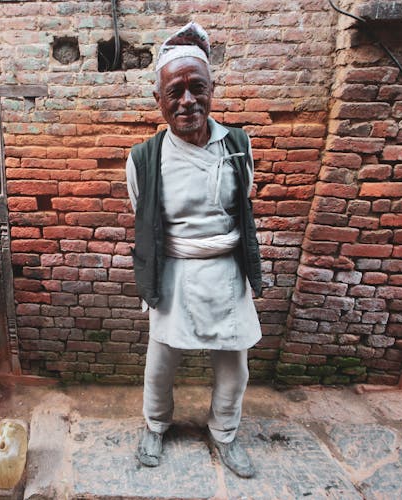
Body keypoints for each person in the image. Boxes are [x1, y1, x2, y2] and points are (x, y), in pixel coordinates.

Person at [126, 22, 263, 478]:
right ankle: (155, 425)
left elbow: (241, 207)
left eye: (197, 88)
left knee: (234, 365)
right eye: (175, 91)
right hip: (175, 273)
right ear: (159, 101)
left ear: (212, 90)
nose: (187, 101)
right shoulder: (144, 158)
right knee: (161, 361)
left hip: (226, 272)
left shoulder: (237, 146)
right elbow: (146, 219)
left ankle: (225, 432)